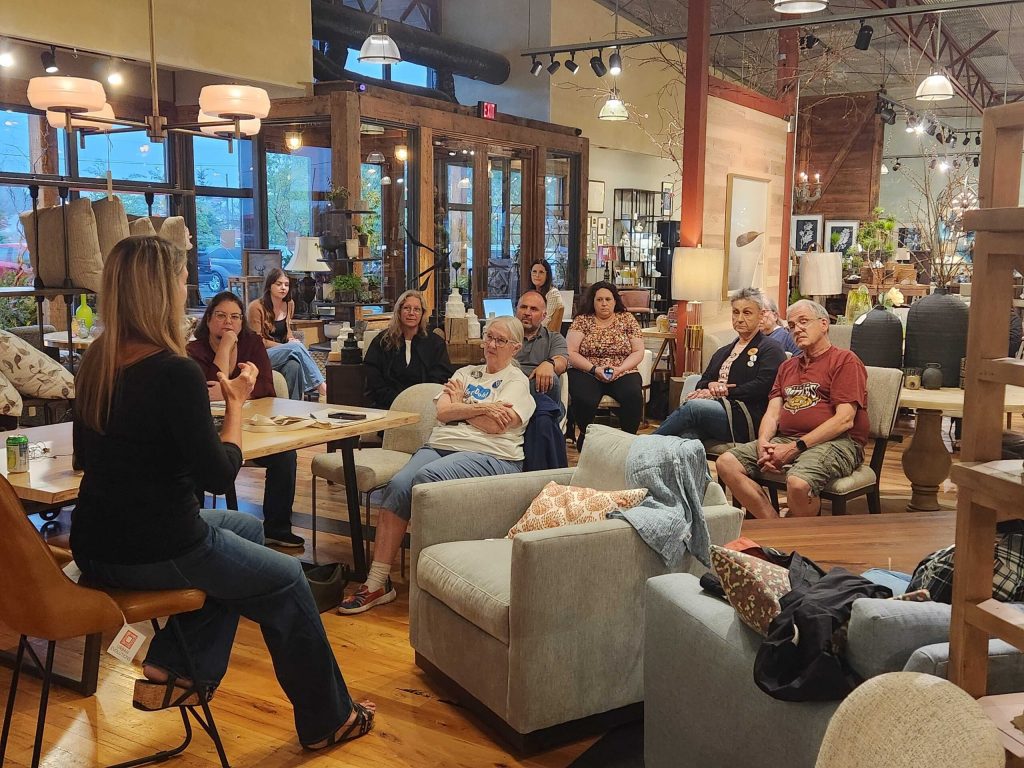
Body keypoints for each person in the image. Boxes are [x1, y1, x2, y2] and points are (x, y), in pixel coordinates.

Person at [70, 236, 373, 750]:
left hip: (94, 546)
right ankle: (329, 720)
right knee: (285, 582)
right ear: (161, 293)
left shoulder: (96, 362)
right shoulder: (175, 372)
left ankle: (178, 667)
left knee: (246, 531)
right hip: (157, 546)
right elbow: (219, 475)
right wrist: (234, 404)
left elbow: (85, 459)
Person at [339, 316, 535, 615]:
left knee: (426, 478)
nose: (491, 345)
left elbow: (495, 427)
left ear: (516, 348)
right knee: (400, 485)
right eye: (488, 336)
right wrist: (480, 408)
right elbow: (443, 413)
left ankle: (434, 582)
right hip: (441, 444)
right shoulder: (467, 372)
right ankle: (377, 582)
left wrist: (461, 407)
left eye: (500, 340)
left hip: (492, 456)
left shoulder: (517, 382)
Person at [716, 299, 869, 519]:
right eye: (792, 326)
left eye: (804, 322)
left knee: (797, 484)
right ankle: (777, 528)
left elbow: (844, 420)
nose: (797, 329)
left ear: (824, 324)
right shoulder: (788, 366)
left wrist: (794, 448)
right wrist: (763, 442)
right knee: (726, 462)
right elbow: (773, 412)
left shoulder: (844, 360)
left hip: (838, 442)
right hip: (788, 438)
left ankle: (799, 542)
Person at [187, 290, 304, 548]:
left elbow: (266, 386)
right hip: (211, 431)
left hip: (251, 425)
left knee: (285, 454)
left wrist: (236, 389)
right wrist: (227, 347)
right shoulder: (193, 350)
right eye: (221, 316)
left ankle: (277, 527)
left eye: (235, 317)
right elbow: (206, 391)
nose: (228, 322)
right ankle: (194, 527)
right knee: (192, 457)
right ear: (208, 320)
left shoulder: (252, 344)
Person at [656, 288, 785, 444]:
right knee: (687, 437)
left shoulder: (771, 348)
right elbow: (702, 381)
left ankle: (641, 446)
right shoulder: (723, 352)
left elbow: (763, 386)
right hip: (715, 410)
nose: (740, 319)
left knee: (692, 407)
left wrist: (723, 392)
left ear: (761, 315)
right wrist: (711, 385)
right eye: (736, 312)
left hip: (744, 415)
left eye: (747, 313)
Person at [566, 281, 645, 450]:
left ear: (615, 301)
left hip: (622, 369)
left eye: (608, 299)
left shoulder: (627, 319)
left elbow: (638, 351)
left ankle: (628, 441)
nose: (604, 303)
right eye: (599, 299)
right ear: (592, 302)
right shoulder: (582, 320)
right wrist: (594, 369)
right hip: (587, 370)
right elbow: (571, 352)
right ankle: (586, 438)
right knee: (584, 398)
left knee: (633, 395)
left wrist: (620, 369)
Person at [363, 289, 454, 410]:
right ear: (399, 311)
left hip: (424, 406)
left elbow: (440, 377)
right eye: (407, 308)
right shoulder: (382, 341)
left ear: (422, 314)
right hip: (387, 406)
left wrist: (419, 401)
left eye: (417, 309)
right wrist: (399, 401)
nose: (411, 313)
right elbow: (373, 379)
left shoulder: (435, 343)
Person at [247, 268, 327, 399]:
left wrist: (290, 340)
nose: (283, 288)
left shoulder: (289, 304)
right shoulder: (256, 307)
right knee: (296, 348)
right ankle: (321, 386)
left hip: (282, 352)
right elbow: (257, 341)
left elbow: (287, 330)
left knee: (293, 366)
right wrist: (285, 346)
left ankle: (293, 409)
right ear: (269, 285)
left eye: (286, 284)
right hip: (260, 355)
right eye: (278, 284)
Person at [514, 289, 569, 409]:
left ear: (544, 316)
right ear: (516, 310)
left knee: (550, 379)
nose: (527, 313)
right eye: (523, 307)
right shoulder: (505, 336)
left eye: (533, 309)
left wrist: (549, 364)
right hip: (509, 389)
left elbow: (562, 361)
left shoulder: (554, 338)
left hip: (540, 392)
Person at [529, 259, 564, 327]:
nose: (537, 275)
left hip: (542, 334)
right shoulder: (530, 293)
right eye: (534, 272)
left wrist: (529, 329)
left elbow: (546, 320)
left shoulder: (553, 293)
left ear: (547, 275)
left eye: (541, 272)